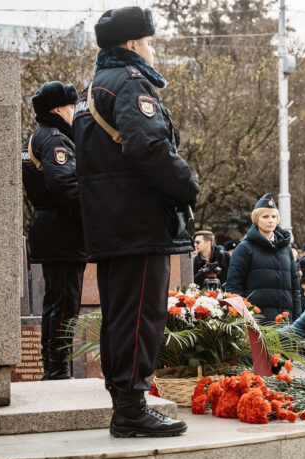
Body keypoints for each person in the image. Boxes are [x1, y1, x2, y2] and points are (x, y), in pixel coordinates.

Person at [75, 6, 199, 437]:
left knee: (120, 316)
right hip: (138, 224)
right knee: (140, 317)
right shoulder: (130, 84)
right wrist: (187, 184)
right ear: (131, 45)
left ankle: (125, 405)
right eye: (148, 41)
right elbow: (148, 146)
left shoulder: (90, 92)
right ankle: (131, 410)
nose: (151, 49)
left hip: (110, 224)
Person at [22, 81, 86, 380]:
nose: (76, 112)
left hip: (52, 227)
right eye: (72, 106)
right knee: (64, 304)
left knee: (57, 301)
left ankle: (54, 365)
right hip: (61, 229)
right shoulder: (56, 139)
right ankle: (57, 368)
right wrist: (93, 210)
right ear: (58, 109)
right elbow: (63, 184)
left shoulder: (39, 137)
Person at [227, 194, 302, 323]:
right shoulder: (244, 249)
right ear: (256, 220)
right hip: (257, 322)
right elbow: (234, 288)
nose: (270, 220)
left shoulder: (286, 249)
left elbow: (295, 289)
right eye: (265, 216)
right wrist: (244, 319)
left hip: (286, 323)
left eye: (274, 216)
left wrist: (297, 320)